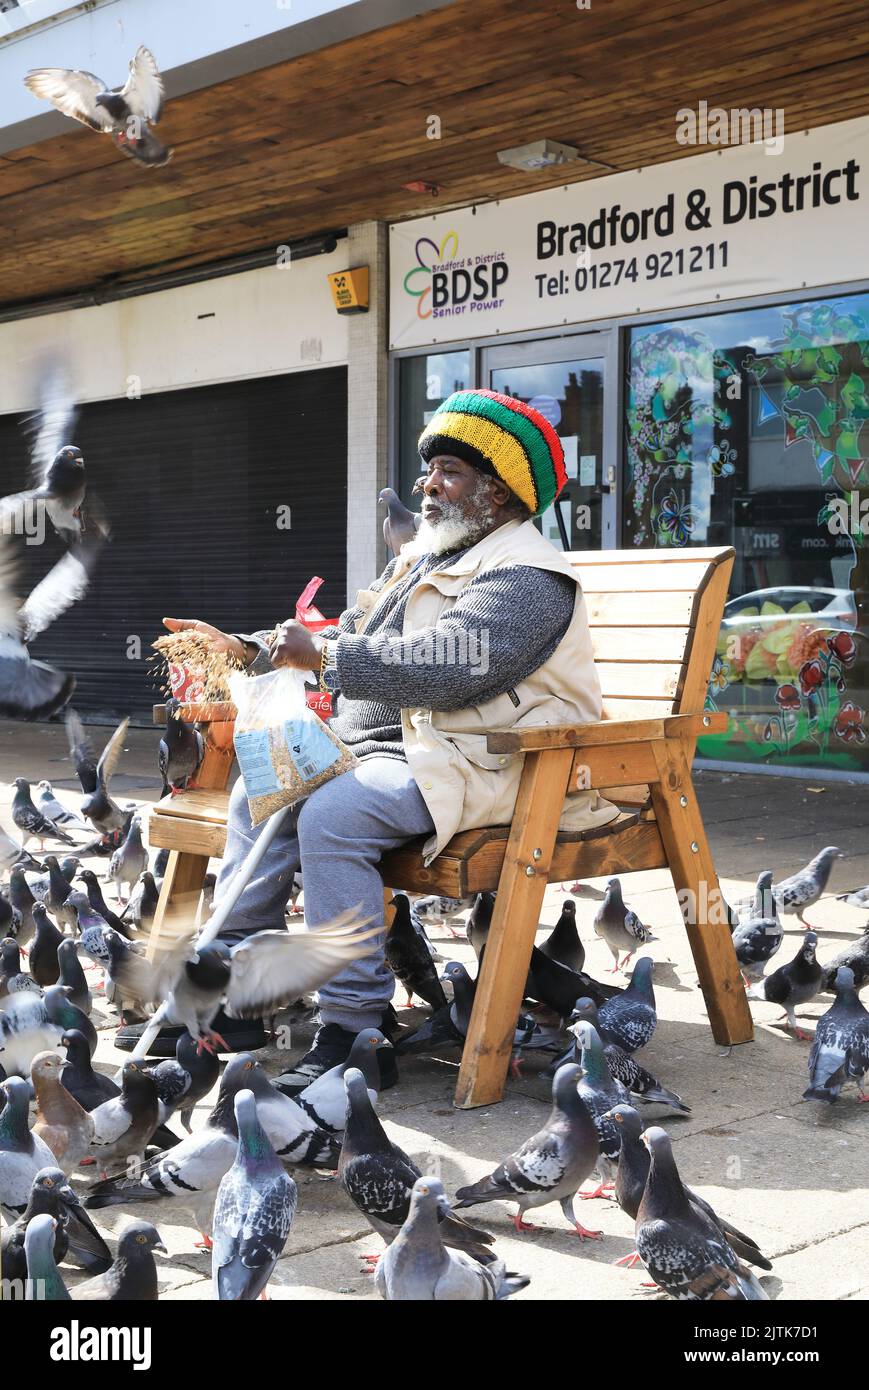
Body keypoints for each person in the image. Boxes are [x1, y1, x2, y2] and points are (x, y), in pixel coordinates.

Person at [117, 389, 618, 1087]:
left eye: (448, 470)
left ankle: (356, 1030)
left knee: (334, 812)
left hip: (487, 763)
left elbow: (447, 666)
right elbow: (348, 633)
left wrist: (319, 660)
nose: (427, 485)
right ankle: (223, 998)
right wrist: (246, 646)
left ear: (499, 492)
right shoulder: (426, 556)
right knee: (263, 783)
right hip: (399, 753)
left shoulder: (527, 577)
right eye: (430, 469)